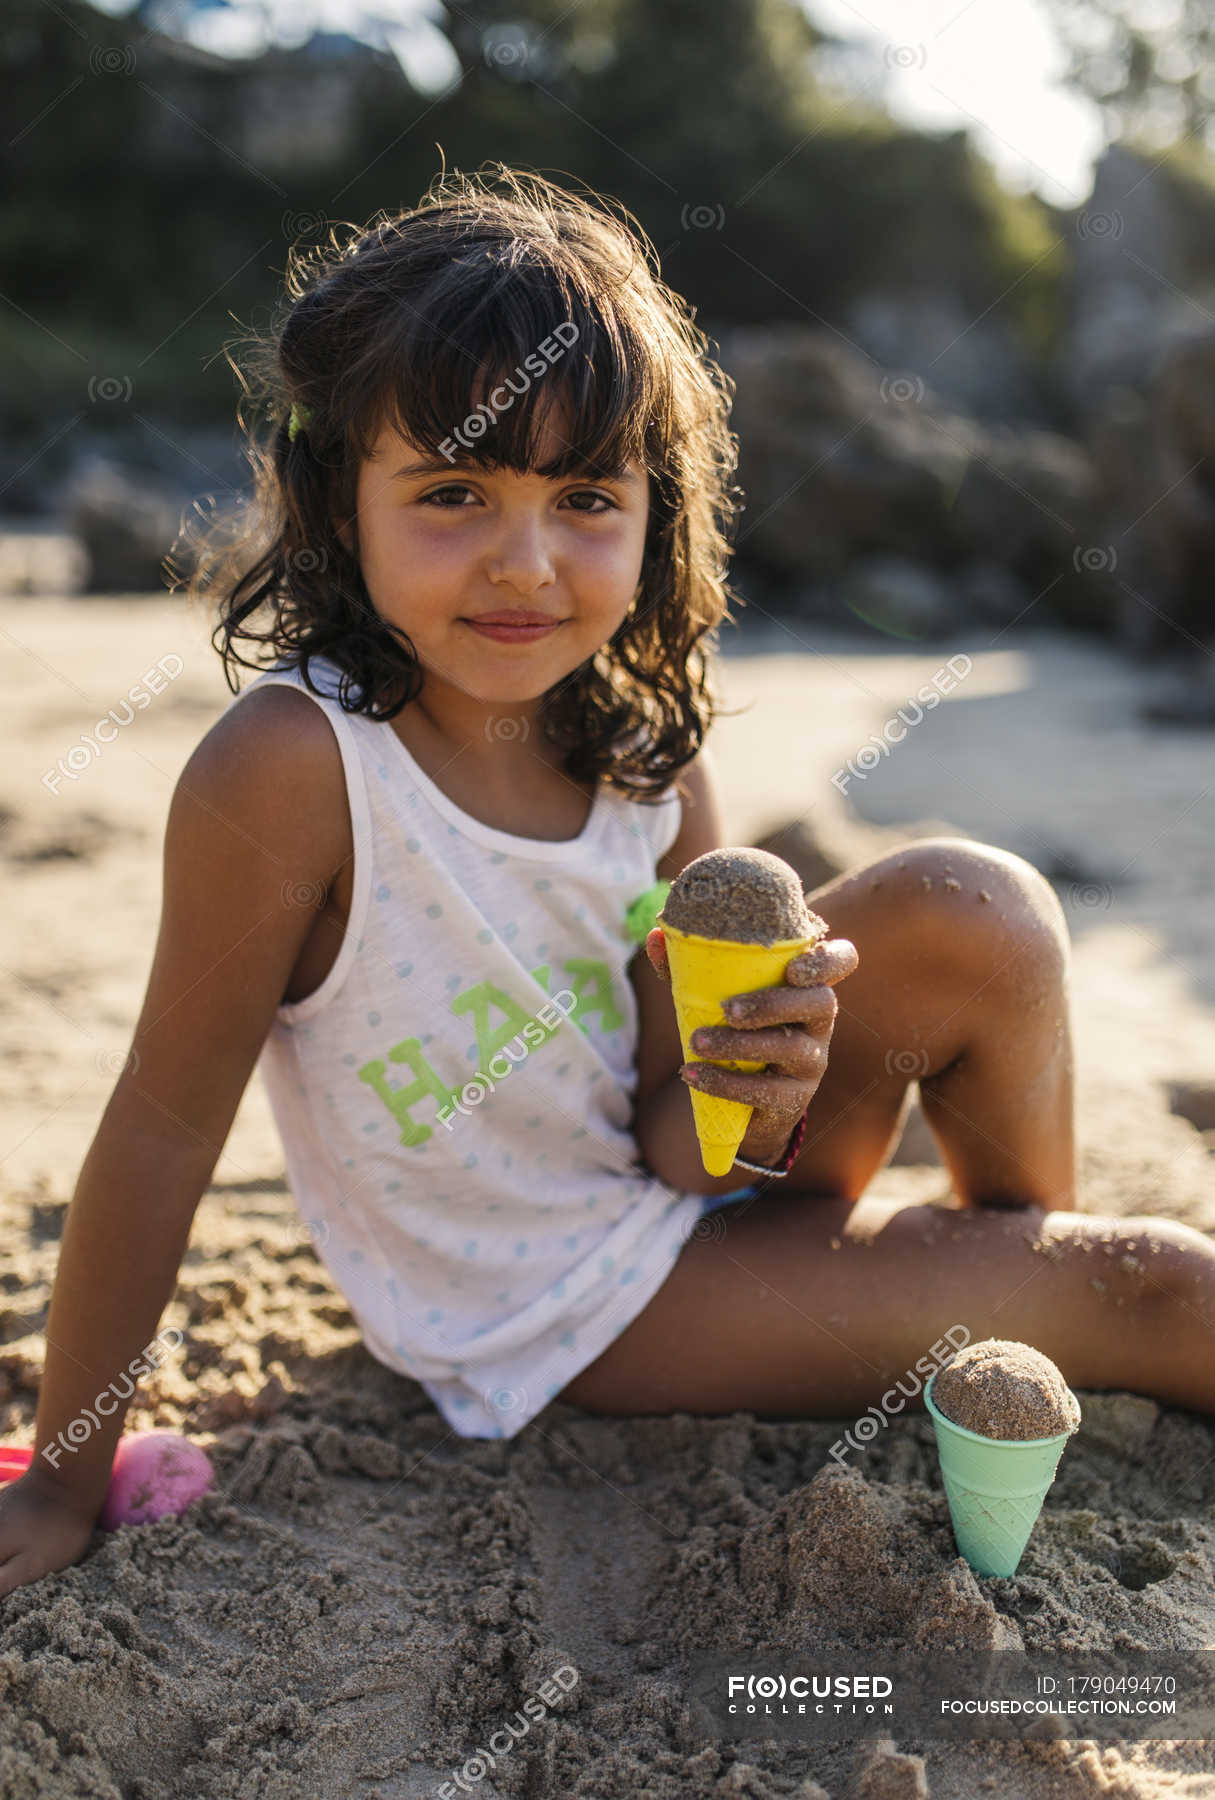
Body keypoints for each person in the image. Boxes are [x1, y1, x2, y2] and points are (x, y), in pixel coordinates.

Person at [2, 164, 1212, 1600]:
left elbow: (680, 1144)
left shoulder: (642, 745)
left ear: (657, 507)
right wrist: (64, 1481)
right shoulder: (293, 771)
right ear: (339, 504)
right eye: (454, 492)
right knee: (1169, 1289)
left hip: (682, 1201)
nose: (526, 564)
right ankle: (1033, 1301)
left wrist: (756, 1078)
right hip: (566, 1309)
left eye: (585, 496)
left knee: (976, 904)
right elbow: (155, 1127)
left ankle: (1005, 1303)